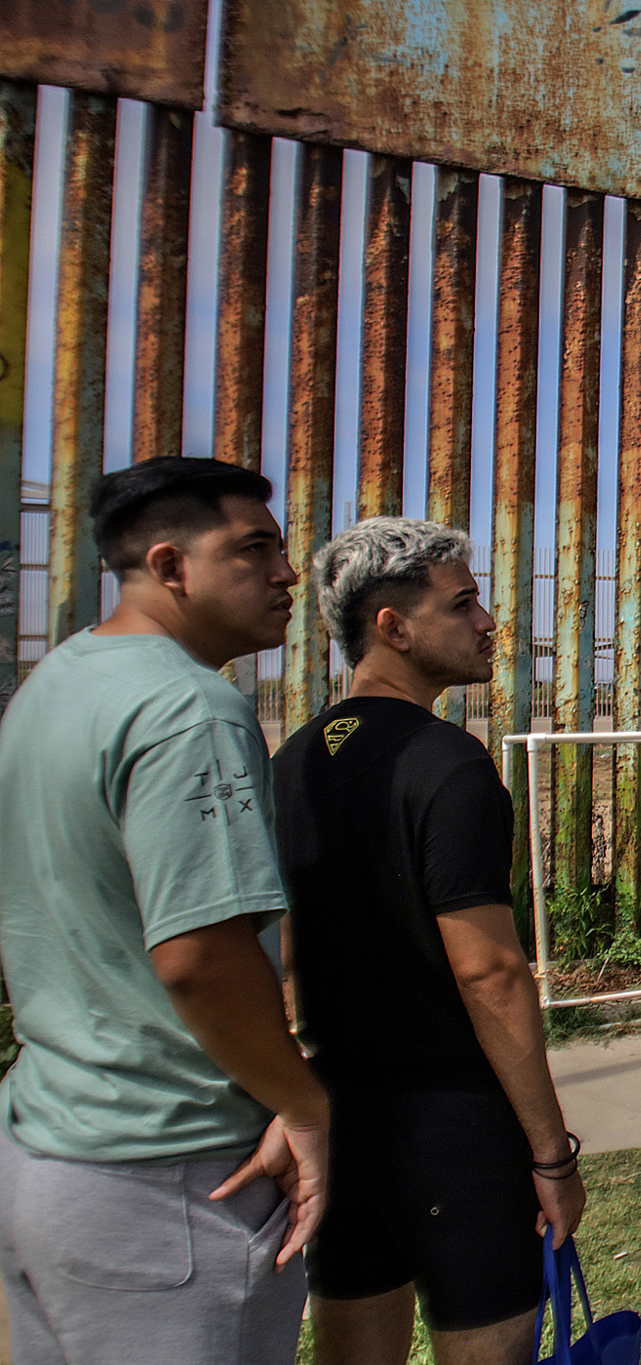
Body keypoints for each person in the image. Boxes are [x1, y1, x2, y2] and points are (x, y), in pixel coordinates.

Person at [0, 458, 327, 1365]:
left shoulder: (54, 683)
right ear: (170, 565)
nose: (286, 573)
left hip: (49, 1145)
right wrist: (305, 1103)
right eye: (254, 549)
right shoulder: (188, 705)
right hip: (170, 1179)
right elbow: (200, 956)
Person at [273, 517, 584, 1365]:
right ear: (393, 627)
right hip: (450, 1124)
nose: (489, 622)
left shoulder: (294, 760)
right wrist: (551, 1153)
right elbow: (488, 970)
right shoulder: (448, 762)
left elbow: (285, 947)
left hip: (338, 1110)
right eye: (465, 602)